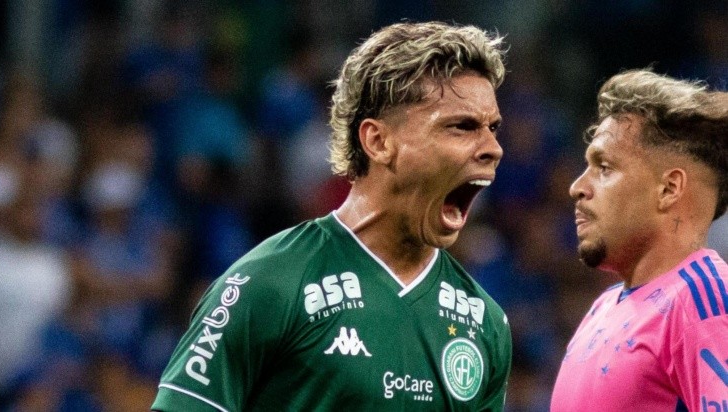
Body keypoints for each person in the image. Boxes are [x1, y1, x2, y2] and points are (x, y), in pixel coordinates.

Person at [152, 21, 512, 411]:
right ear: (378, 141)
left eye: (493, 128)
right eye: (462, 127)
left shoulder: (485, 323)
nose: (493, 148)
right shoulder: (269, 286)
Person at [551, 69, 728, 411]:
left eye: (604, 167)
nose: (577, 187)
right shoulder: (603, 307)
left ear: (668, 189)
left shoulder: (706, 301)